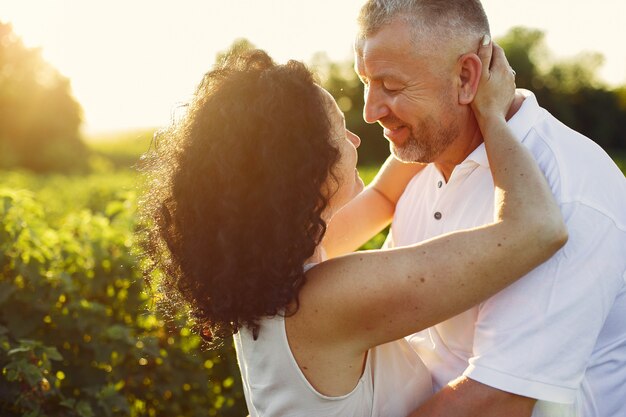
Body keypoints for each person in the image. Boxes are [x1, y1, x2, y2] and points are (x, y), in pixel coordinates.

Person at [140, 41, 566, 416]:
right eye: (341, 131)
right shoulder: (329, 299)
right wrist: (491, 114)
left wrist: (426, 108)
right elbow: (536, 228)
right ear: (307, 167)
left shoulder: (267, 270)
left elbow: (383, 196)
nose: (357, 139)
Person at [354, 1, 626, 416]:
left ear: (466, 77)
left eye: (390, 86)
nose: (370, 112)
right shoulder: (422, 167)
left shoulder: (567, 191)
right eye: (365, 83)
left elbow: (499, 401)